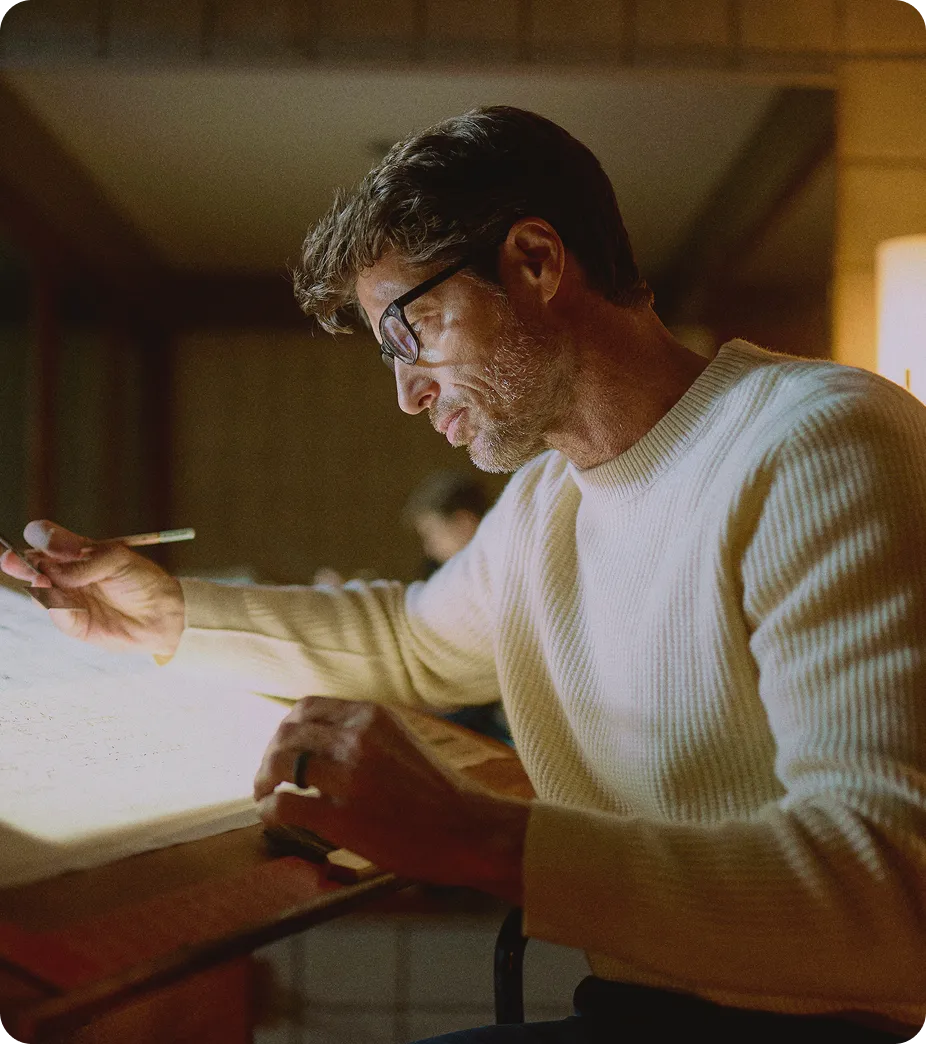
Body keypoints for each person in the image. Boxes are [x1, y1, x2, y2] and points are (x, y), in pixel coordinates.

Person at [4, 106, 926, 1042]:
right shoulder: (541, 506)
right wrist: (167, 616)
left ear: (534, 262)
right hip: (638, 1008)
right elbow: (410, 642)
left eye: (413, 329)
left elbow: (895, 893)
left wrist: (480, 840)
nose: (407, 393)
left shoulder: (818, 441)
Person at [403, 471, 511, 745]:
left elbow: (482, 691)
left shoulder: (504, 574)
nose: (429, 548)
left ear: (464, 523)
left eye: (433, 533)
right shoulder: (447, 576)